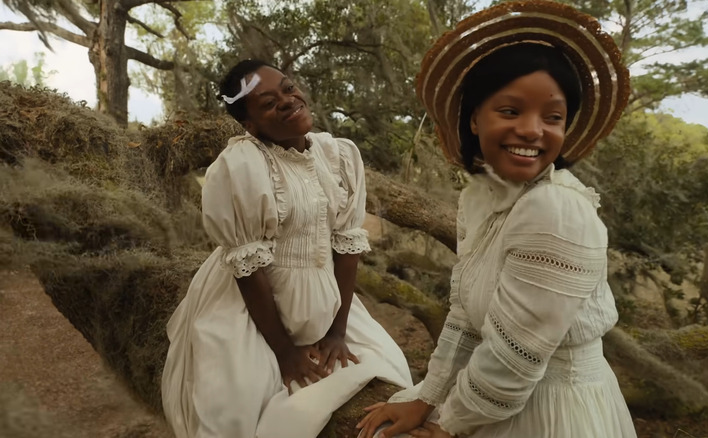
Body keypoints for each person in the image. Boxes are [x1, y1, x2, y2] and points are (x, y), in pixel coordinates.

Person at [357, 1, 636, 437]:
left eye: (553, 117)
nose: (532, 130)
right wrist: (427, 396)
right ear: (473, 119)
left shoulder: (556, 209)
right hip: (491, 405)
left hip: (552, 414)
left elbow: (516, 359)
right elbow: (466, 316)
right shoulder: (480, 200)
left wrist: (448, 423)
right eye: (510, 111)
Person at [161, 59, 413, 438]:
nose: (286, 100)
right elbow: (249, 270)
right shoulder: (243, 165)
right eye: (267, 103)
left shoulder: (338, 156)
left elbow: (346, 246)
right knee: (233, 411)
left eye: (289, 88)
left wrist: (338, 330)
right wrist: (284, 352)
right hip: (254, 308)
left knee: (391, 368)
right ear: (251, 125)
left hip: (327, 301)